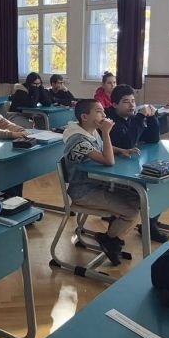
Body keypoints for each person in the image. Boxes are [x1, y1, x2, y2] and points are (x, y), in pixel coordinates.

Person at [62, 100, 140, 266]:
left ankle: (111, 239)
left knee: (140, 201)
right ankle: (110, 240)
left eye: (103, 111)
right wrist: (106, 132)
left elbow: (102, 147)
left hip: (98, 185)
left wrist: (122, 150)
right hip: (84, 192)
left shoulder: (89, 131)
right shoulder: (77, 140)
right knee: (132, 213)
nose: (104, 115)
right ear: (84, 117)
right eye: (99, 111)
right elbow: (108, 160)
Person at [105, 84, 167, 243]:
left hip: (128, 166)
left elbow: (152, 139)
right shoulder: (109, 120)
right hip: (111, 171)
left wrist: (151, 117)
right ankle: (144, 224)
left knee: (161, 185)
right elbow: (127, 143)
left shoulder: (131, 118)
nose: (132, 105)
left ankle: (150, 224)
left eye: (133, 101)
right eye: (126, 101)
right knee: (150, 188)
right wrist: (140, 117)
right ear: (114, 104)